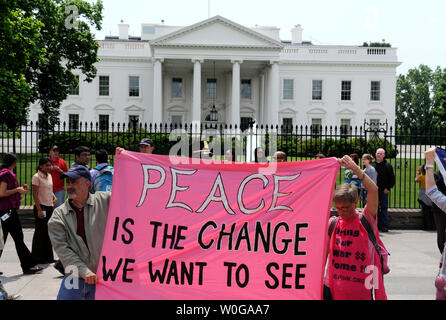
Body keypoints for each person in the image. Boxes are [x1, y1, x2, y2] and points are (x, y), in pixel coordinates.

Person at [324, 155, 387, 300]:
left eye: (345, 207)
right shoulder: (333, 223)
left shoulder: (365, 220)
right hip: (332, 287)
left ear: (355, 202)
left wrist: (355, 168)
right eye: (337, 208)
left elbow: (373, 190)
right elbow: (323, 257)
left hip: (361, 288)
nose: (341, 211)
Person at [48, 164, 112, 300]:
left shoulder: (105, 201)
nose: (69, 185)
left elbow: (130, 197)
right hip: (75, 275)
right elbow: (63, 250)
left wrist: (126, 162)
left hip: (104, 276)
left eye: (74, 181)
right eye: (68, 182)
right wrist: (84, 271)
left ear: (87, 183)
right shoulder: (58, 216)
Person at [0, 153, 42, 275]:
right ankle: (29, 266)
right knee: (17, 238)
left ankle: (29, 265)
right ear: (14, 162)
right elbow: (2, 193)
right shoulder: (7, 174)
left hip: (5, 211)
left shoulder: (3, 172)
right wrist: (17, 190)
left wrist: (18, 191)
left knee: (6, 239)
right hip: (8, 211)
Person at [31, 157, 58, 264]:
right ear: (41, 166)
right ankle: (37, 257)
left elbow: (49, 189)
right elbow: (35, 194)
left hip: (49, 206)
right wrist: (39, 210)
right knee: (40, 232)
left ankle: (48, 257)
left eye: (49, 165)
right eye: (46, 165)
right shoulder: (36, 177)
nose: (48, 167)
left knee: (48, 232)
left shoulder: (49, 176)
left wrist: (53, 196)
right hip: (41, 206)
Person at [424, 147, 446, 253]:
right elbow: (434, 190)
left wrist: (429, 162)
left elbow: (432, 191)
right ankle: (442, 251)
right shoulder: (437, 175)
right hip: (439, 209)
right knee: (441, 231)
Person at [372, 148, 395, 232]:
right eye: (378, 153)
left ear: (384, 155)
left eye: (381, 153)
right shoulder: (372, 165)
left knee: (384, 208)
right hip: (374, 190)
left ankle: (384, 226)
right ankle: (376, 225)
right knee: (375, 208)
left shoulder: (387, 165)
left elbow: (392, 178)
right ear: (375, 154)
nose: (379, 155)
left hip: (383, 190)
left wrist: (388, 188)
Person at [415, 164, 435, 230]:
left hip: (423, 196)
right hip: (431, 195)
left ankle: (427, 226)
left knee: (425, 212)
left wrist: (418, 171)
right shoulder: (433, 177)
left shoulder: (422, 176)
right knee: (431, 212)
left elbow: (416, 179)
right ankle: (433, 226)